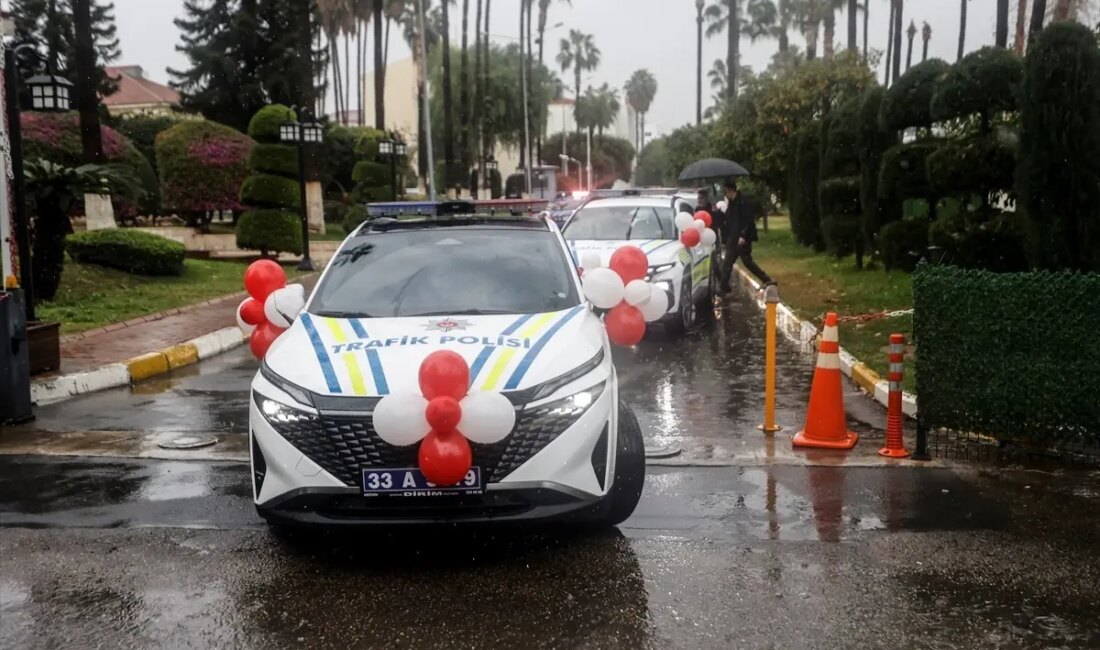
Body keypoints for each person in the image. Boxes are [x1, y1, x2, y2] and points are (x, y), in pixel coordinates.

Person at [719, 180, 775, 292]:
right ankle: (723, 287)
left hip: (741, 238)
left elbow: (748, 221)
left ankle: (767, 279)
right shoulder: (731, 203)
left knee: (747, 261)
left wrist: (743, 236)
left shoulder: (743, 202)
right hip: (733, 237)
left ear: (731, 190)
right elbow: (730, 219)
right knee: (727, 263)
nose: (725, 194)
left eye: (726, 191)